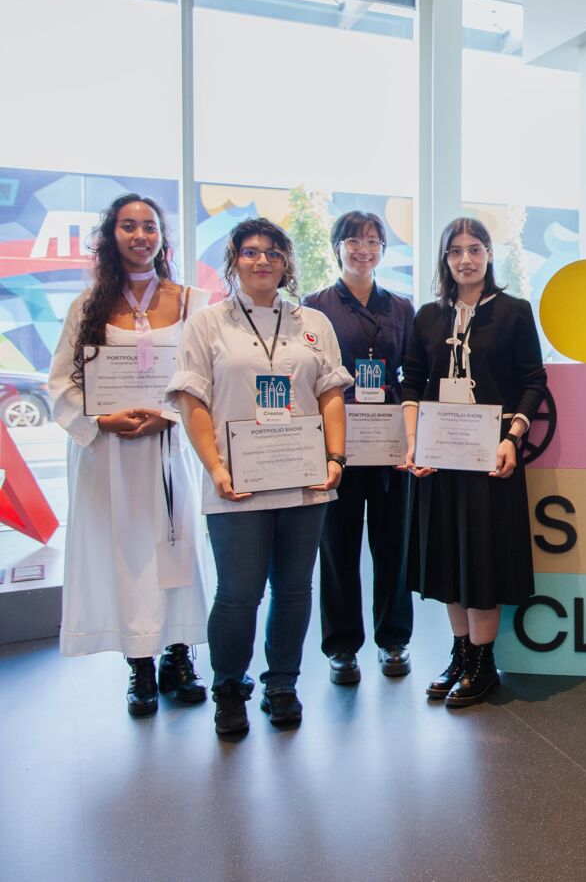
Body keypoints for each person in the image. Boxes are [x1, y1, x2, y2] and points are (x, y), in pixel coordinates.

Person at [169, 218, 351, 736]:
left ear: (287, 262)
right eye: (251, 252)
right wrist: (216, 467)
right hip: (237, 481)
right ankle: (229, 688)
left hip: (305, 480)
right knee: (239, 594)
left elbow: (330, 393)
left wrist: (335, 459)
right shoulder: (207, 324)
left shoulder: (313, 323)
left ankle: (282, 684)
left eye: (273, 252)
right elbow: (192, 399)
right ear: (234, 261)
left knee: (294, 589)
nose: (263, 260)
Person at [48, 193, 210, 716]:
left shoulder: (191, 302)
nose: (140, 235)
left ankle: (178, 656)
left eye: (149, 226)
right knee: (126, 557)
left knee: (176, 548)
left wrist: (173, 414)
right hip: (110, 456)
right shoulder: (87, 306)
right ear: (111, 235)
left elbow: (206, 379)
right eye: (128, 226)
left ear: (163, 237)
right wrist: (100, 422)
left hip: (168, 449)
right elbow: (61, 385)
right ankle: (139, 664)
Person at [399, 217, 547, 708]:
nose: (466, 259)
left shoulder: (514, 311)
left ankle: (485, 664)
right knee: (447, 556)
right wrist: (414, 441)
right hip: (439, 457)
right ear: (444, 258)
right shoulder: (427, 316)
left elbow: (533, 379)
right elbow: (412, 382)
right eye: (456, 250)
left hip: (491, 455)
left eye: (476, 249)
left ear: (489, 254)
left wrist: (514, 436)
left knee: (482, 556)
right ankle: (461, 653)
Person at [303, 212, 416, 685]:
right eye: (353, 240)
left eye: (373, 241)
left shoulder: (402, 307)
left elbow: (412, 372)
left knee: (393, 546)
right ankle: (342, 647)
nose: (363, 249)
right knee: (338, 548)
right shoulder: (313, 306)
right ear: (337, 247)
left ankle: (394, 639)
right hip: (338, 446)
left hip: (390, 444)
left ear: (383, 250)